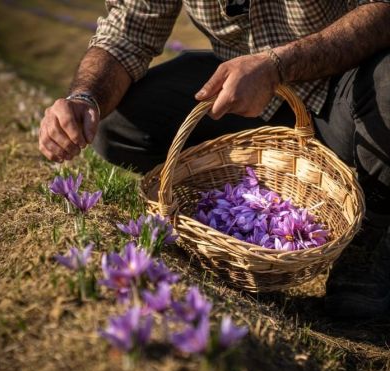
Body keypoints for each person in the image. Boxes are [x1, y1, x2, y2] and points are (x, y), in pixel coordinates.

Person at [38, 0, 390, 318]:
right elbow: (128, 30)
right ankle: (242, 199)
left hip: (345, 87)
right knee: (117, 125)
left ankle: (373, 226)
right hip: (250, 94)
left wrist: (276, 66)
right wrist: (85, 98)